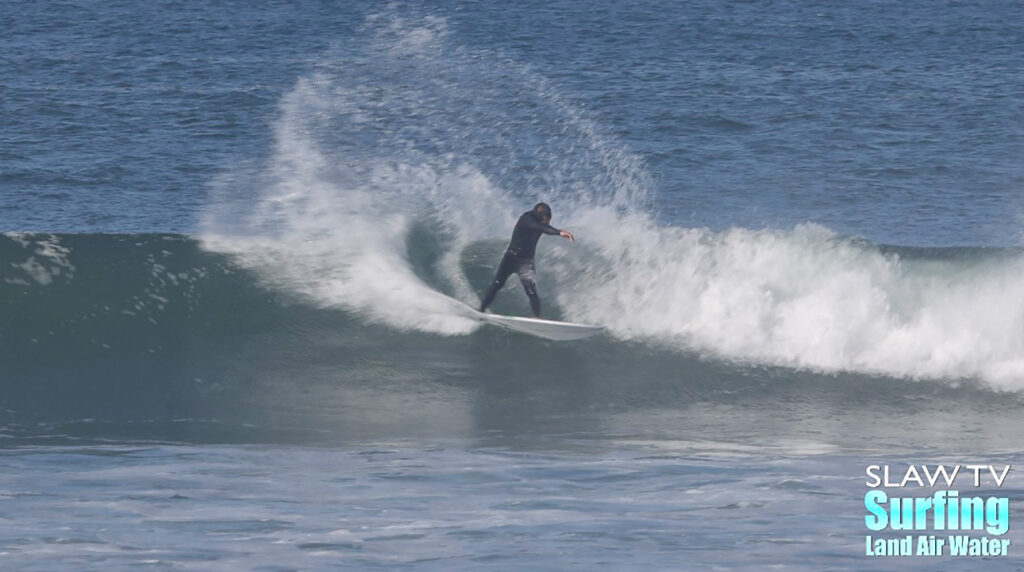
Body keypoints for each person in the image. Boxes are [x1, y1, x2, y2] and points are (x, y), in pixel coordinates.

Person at [478, 202, 574, 318]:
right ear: (540, 216)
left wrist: (557, 232)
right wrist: (559, 232)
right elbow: (541, 227)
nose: (548, 222)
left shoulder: (542, 223)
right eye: (546, 219)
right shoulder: (527, 218)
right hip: (511, 258)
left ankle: (537, 317)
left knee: (531, 291)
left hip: (526, 262)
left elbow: (545, 228)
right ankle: (481, 310)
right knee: (497, 284)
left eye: (549, 219)